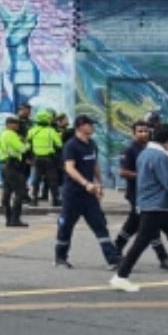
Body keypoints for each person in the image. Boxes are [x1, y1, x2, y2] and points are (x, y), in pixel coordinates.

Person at [110, 123, 168, 292]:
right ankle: (120, 276)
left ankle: (121, 276)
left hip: (154, 205)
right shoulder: (159, 157)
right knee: (141, 243)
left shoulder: (145, 153)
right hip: (155, 206)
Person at [54, 114, 119, 270]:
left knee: (100, 224)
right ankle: (60, 258)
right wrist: (86, 183)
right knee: (66, 226)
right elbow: (69, 168)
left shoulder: (91, 144)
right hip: (73, 194)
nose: (92, 127)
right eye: (89, 124)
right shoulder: (71, 145)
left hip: (89, 195)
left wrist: (99, 183)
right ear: (81, 126)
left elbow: (94, 164)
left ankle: (113, 260)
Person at [0, 115, 30, 228]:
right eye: (16, 123)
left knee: (7, 191)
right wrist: (26, 144)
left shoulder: (1, 134)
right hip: (12, 165)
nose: (18, 126)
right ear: (10, 125)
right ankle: (15, 219)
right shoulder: (11, 135)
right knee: (20, 192)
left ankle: (8, 218)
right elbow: (21, 148)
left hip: (3, 164)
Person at [27, 109, 62, 207]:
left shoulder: (32, 131)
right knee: (52, 179)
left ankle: (34, 200)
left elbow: (27, 144)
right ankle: (55, 200)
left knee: (36, 179)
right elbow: (59, 144)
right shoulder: (51, 131)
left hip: (37, 158)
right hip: (49, 159)